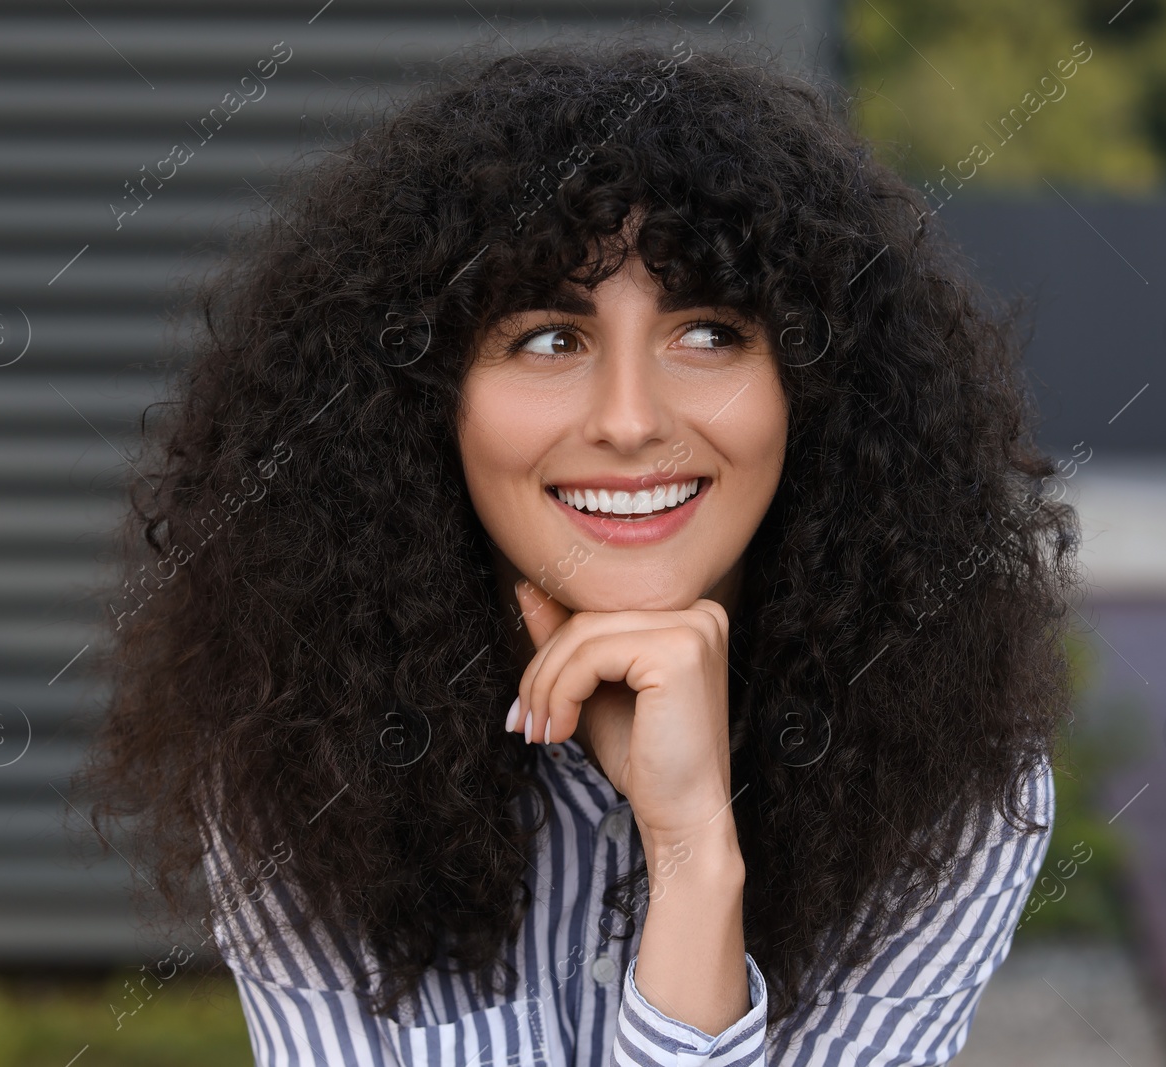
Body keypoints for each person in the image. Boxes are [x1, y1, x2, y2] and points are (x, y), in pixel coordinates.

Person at [77, 32, 1080, 1067]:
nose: (631, 419)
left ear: (814, 391)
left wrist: (693, 853)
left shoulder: (949, 776)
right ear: (426, 400)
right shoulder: (298, 735)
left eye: (709, 332)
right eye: (550, 338)